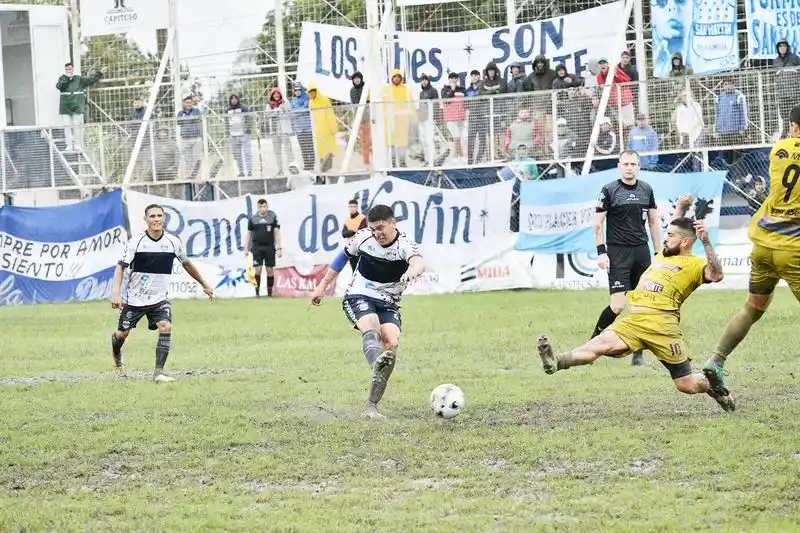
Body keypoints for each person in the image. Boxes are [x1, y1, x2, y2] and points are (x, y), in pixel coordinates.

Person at [537, 215, 734, 411]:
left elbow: (716, 274)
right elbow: (676, 228)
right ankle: (556, 362)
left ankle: (713, 387)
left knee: (686, 385)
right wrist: (681, 209)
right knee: (599, 344)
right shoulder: (663, 255)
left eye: (670, 235)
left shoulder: (694, 264)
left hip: (663, 327)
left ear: (684, 242)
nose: (665, 238)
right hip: (634, 321)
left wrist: (706, 241)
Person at [703, 105, 800, 406]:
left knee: (753, 308)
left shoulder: (778, 150)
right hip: (792, 249)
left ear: (792, 126)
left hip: (762, 245)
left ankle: (716, 361)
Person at [309, 205, 425, 420]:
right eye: (373, 229)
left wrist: (412, 270)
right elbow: (341, 258)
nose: (377, 233)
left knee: (391, 343)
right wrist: (322, 286)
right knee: (370, 323)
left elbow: (418, 262)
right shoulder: (362, 238)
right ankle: (375, 363)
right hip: (358, 295)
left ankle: (371, 406)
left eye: (381, 227)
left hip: (388, 302)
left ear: (393, 223)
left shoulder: (404, 245)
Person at [110, 204, 214, 382]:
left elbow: (187, 264)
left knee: (165, 326)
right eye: (152, 216)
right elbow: (120, 267)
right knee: (122, 334)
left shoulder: (173, 241)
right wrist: (116, 294)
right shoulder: (136, 242)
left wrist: (204, 284)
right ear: (146, 220)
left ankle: (159, 372)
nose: (156, 219)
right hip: (135, 299)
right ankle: (117, 357)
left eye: (159, 215)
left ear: (163, 218)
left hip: (159, 299)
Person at [592, 149, 662, 366]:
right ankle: (592, 343)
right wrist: (602, 252)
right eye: (626, 164)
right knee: (617, 305)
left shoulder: (646, 190)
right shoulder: (609, 190)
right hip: (618, 253)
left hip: (642, 252)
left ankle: (638, 352)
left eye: (633, 164)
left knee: (643, 304)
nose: (630, 168)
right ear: (619, 165)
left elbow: (653, 222)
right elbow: (597, 224)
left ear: (639, 166)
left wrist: (659, 253)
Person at [244, 198, 282, 297]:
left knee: (269, 269)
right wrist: (246, 248)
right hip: (257, 247)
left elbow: (277, 233)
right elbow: (249, 234)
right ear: (258, 208)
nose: (263, 208)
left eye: (264, 206)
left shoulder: (272, 217)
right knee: (258, 269)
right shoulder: (253, 219)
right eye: (260, 207)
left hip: (269, 247)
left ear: (267, 207)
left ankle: (270, 294)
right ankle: (257, 293)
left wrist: (278, 248)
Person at [341, 199, 367, 272]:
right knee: (354, 270)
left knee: (362, 269)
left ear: (357, 207)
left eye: (354, 206)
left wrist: (350, 232)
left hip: (360, 248)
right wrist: (353, 231)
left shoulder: (362, 218)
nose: (352, 208)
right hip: (351, 248)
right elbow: (343, 234)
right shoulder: (347, 220)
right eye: (350, 206)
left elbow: (361, 231)